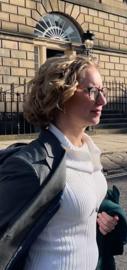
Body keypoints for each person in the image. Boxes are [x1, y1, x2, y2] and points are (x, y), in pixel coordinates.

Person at [0, 55, 118, 269]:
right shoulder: (30, 166)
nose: (103, 101)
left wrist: (101, 215)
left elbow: (74, 206)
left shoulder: (89, 153)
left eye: (103, 91)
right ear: (62, 94)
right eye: (91, 91)